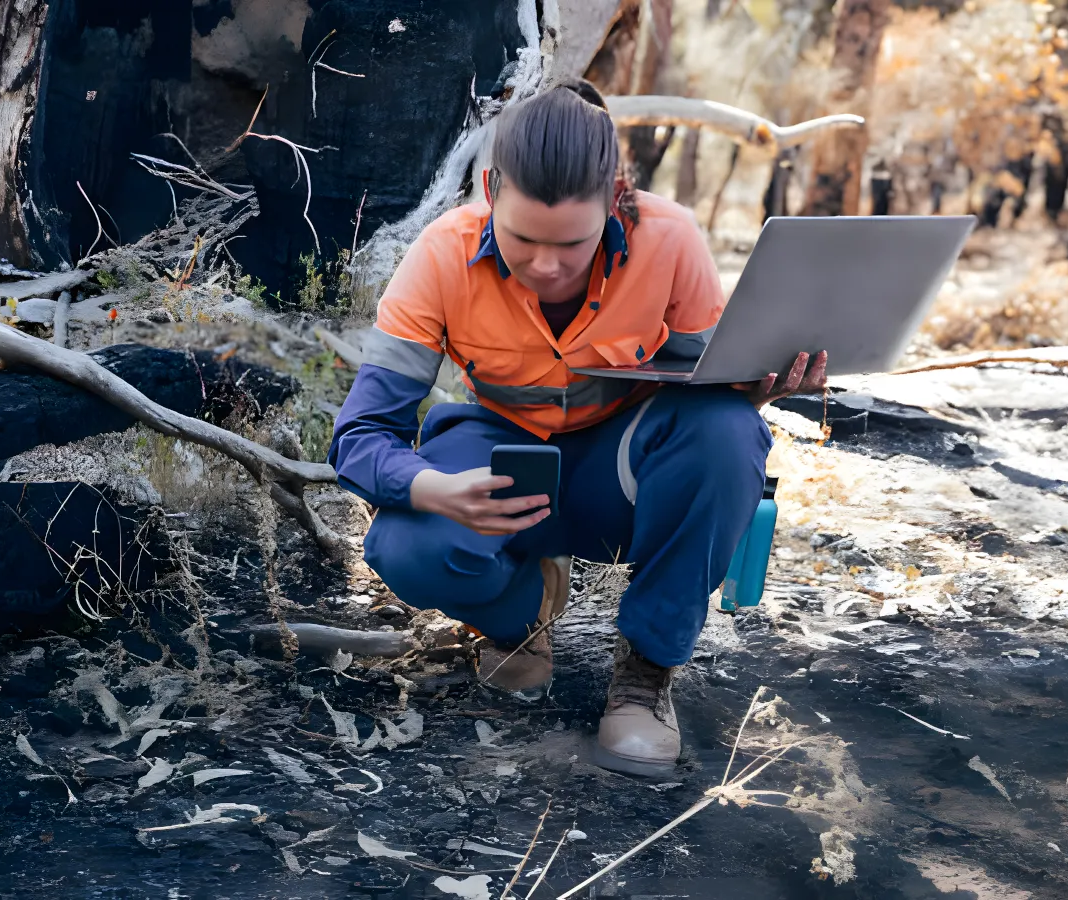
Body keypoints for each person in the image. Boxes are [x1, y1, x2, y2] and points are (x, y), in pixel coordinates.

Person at [327, 81, 826, 777]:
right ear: (489, 187)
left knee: (728, 432)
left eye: (573, 242)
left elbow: (709, 410)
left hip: (619, 470)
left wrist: (761, 387)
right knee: (404, 544)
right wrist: (433, 487)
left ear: (617, 194)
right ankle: (520, 619)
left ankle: (647, 672)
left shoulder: (672, 239)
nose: (548, 266)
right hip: (500, 464)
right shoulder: (440, 256)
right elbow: (360, 438)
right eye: (523, 238)